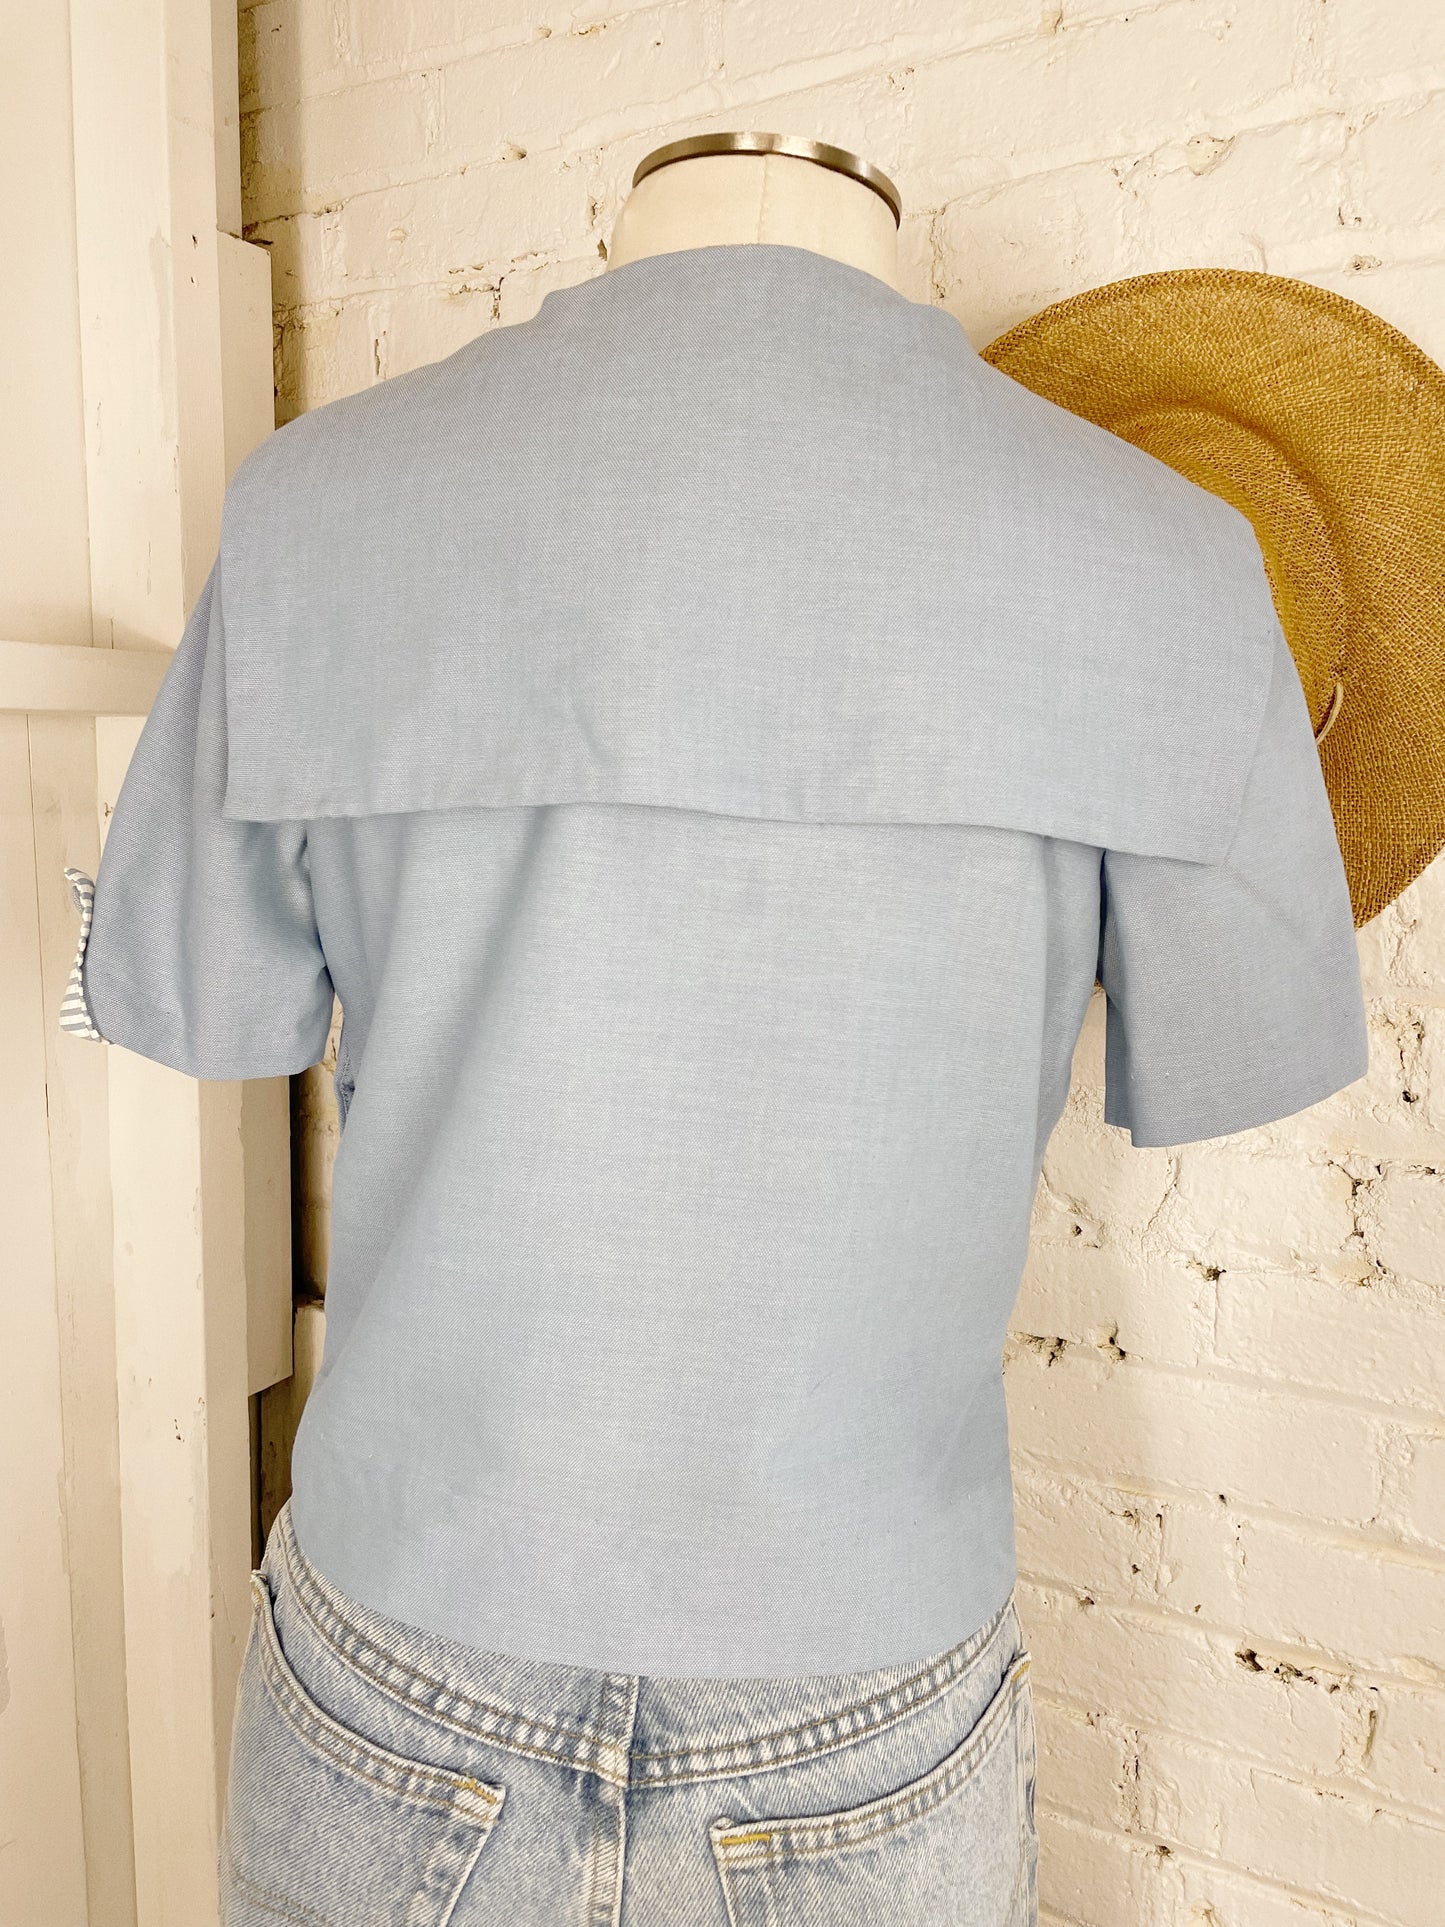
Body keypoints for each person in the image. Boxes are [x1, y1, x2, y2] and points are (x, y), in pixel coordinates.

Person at [61, 134, 1369, 1926]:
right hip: (859, 1682)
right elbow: (1234, 1038)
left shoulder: (322, 501)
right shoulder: (1162, 557)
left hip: (406, 1647)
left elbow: (209, 1001)